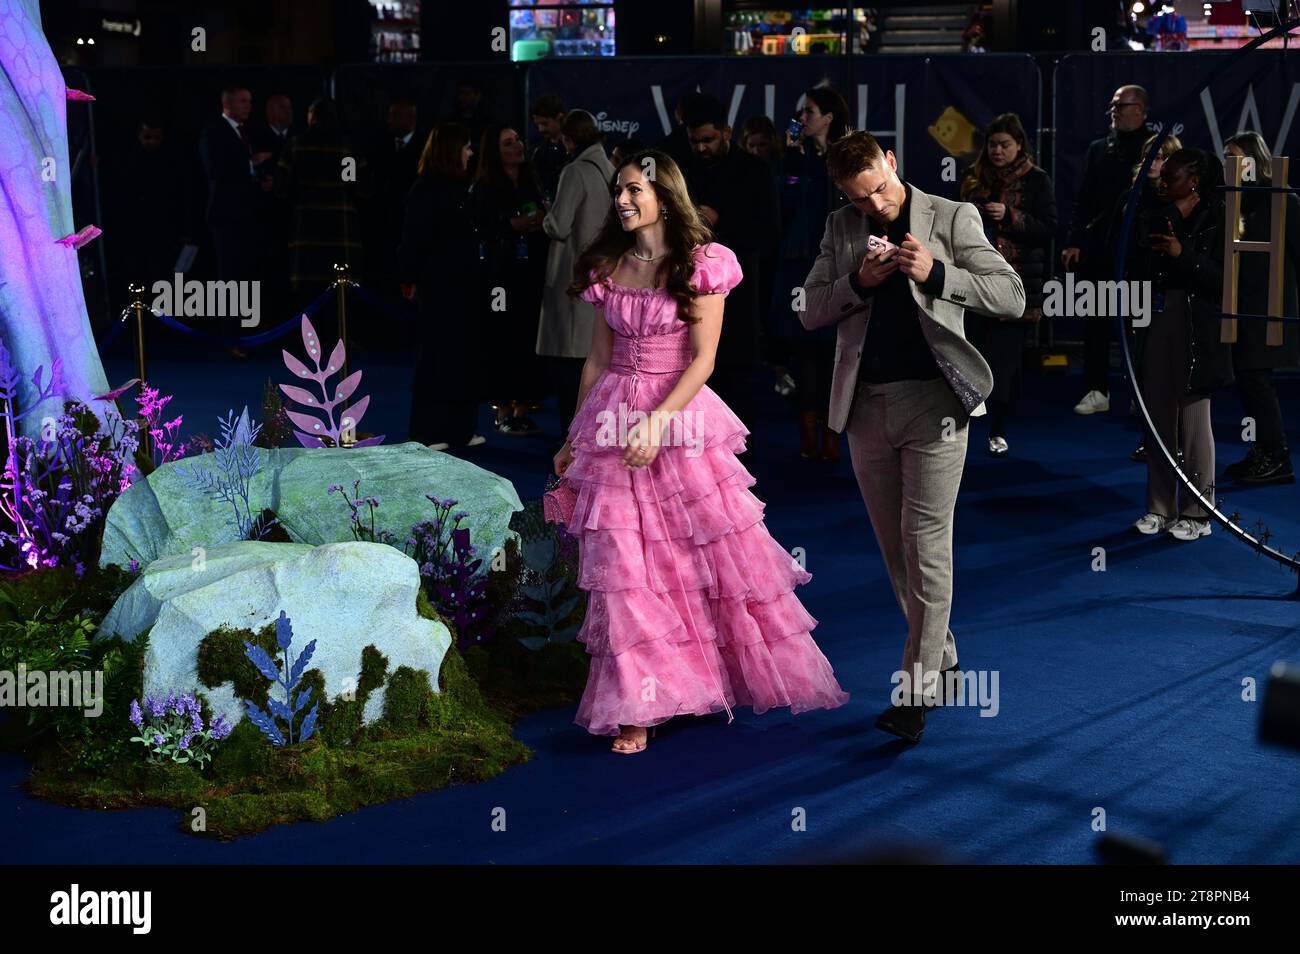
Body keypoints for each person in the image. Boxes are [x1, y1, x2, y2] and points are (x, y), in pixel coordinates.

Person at [549, 149, 849, 754]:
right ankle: (640, 702)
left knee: (692, 560)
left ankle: (694, 681)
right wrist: (573, 435)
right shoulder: (608, 266)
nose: (623, 201)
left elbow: (704, 360)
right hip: (611, 418)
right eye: (618, 191)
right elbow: (598, 360)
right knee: (624, 568)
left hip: (679, 420)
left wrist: (657, 424)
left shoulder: (704, 265)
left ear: (666, 195)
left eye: (635, 189)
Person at [801, 132, 1024, 743]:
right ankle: (944, 660)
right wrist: (859, 283)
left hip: (936, 407)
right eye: (858, 198)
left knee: (926, 548)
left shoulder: (953, 216)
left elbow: (1011, 296)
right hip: (866, 408)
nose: (872, 205)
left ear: (892, 163)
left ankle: (916, 692)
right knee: (897, 556)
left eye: (877, 188)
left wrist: (939, 272)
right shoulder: (840, 227)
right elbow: (809, 310)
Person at [1128, 148, 1232, 540]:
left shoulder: (1218, 215)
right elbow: (1137, 257)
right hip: (1155, 315)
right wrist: (1171, 216)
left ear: (1194, 180)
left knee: (1193, 418)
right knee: (1157, 416)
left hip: (1197, 323)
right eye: (1163, 174)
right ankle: (1159, 507)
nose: (1163, 181)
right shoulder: (1156, 211)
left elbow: (1224, 279)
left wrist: (1181, 254)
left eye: (1172, 176)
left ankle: (1198, 511)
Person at [678, 94, 782, 457]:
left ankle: (736, 467)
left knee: (735, 383)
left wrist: (721, 222)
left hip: (739, 298)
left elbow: (769, 233)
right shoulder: (681, 169)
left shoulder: (755, 172)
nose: (702, 148)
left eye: (708, 140)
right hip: (686, 296)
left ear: (726, 132)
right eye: (695, 141)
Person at [959, 112, 1056, 457]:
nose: (998, 151)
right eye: (993, 144)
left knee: (1005, 361)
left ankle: (999, 428)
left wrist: (1011, 217)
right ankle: (967, 425)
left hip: (1017, 282)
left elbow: (1047, 228)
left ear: (1019, 146)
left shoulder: (1037, 180)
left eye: (1005, 145)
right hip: (975, 279)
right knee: (971, 353)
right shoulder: (974, 177)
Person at [1061, 85, 1154, 416]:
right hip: (1100, 252)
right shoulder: (1098, 150)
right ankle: (1097, 389)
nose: (1114, 110)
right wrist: (1074, 241)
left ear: (1141, 109)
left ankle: (1140, 395)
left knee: (1138, 326)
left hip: (1140, 255)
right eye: (1112, 105)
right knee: (1096, 323)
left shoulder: (1155, 150)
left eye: (1122, 105)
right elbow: (1083, 198)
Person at [398, 123, 485, 452]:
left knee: (465, 356)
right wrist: (409, 279)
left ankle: (461, 428)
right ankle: (427, 431)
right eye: (465, 146)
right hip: (438, 285)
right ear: (451, 150)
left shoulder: (464, 187)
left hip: (467, 285)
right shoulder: (425, 190)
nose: (471, 152)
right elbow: (412, 240)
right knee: (436, 356)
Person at [778, 85, 851, 461]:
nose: (801, 118)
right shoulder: (796, 156)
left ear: (829, 117)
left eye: (809, 112)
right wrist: (791, 164)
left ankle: (835, 436)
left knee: (839, 353)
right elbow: (784, 206)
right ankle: (809, 437)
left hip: (843, 267)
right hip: (802, 265)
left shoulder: (849, 158)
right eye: (801, 112)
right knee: (806, 350)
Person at [1221, 132, 1298, 485]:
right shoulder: (1231, 200)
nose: (1229, 164)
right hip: (1238, 305)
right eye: (1225, 157)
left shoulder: (1283, 200)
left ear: (1254, 161)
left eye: (1234, 157)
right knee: (1249, 379)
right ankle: (1264, 451)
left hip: (1268, 308)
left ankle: (1277, 457)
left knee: (1257, 379)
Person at [1102, 131, 1183, 464]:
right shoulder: (1129, 197)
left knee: (1165, 370)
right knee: (1139, 367)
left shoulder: (1179, 201)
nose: (1153, 162)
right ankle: (1151, 438)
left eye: (1161, 156)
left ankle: (1171, 441)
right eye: (1150, 154)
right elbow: (1112, 244)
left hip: (1167, 292)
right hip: (1133, 292)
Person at [538, 109, 616, 439]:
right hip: (602, 273)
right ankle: (590, 439)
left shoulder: (574, 172)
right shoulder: (610, 169)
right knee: (594, 363)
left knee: (571, 368)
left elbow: (558, 225)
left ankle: (571, 442)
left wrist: (543, 214)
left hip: (573, 275)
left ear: (569, 140)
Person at [469, 124, 550, 435]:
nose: (517, 146)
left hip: (531, 272)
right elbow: (483, 229)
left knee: (530, 336)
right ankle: (502, 408)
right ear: (495, 151)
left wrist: (539, 220)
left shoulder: (531, 181)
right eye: (508, 143)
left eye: (517, 140)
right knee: (502, 336)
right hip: (499, 275)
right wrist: (514, 224)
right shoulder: (485, 187)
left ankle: (522, 407)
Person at [199, 85, 270, 355]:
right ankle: (230, 337)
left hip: (247, 216)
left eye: (250, 101)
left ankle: (246, 333)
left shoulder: (246, 132)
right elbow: (216, 170)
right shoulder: (213, 132)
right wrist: (251, 163)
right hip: (226, 217)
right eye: (242, 102)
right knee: (229, 279)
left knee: (246, 276)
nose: (248, 107)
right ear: (227, 104)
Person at [276, 98, 367, 304]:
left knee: (308, 300)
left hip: (305, 233)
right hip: (340, 232)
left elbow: (281, 188)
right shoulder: (346, 148)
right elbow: (358, 187)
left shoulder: (296, 145)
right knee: (339, 300)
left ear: (312, 117)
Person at [529, 93, 569, 205]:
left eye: (545, 123)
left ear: (560, 117)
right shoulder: (538, 152)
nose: (540, 129)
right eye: (538, 124)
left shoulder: (575, 149)